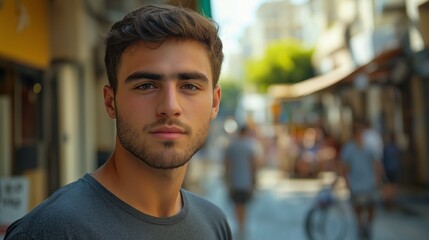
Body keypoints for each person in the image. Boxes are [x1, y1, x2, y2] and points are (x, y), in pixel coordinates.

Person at [5, 4, 232, 240]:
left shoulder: (214, 223)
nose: (170, 107)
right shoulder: (50, 232)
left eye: (190, 86)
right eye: (146, 85)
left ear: (214, 103)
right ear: (110, 101)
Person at [340, 124, 382, 240]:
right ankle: (360, 226)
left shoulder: (369, 148)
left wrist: (378, 178)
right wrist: (347, 182)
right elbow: (344, 167)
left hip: (369, 183)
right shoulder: (349, 149)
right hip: (356, 184)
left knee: (372, 207)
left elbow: (376, 164)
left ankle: (367, 226)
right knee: (358, 208)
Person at [223, 125, 261, 238]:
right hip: (246, 181)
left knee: (237, 205)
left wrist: (226, 179)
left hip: (234, 180)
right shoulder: (250, 146)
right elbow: (254, 165)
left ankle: (240, 226)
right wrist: (254, 180)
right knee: (243, 205)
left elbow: (227, 164)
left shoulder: (232, 146)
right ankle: (242, 226)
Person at [381, 132, 401, 210]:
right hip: (393, 168)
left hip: (388, 168)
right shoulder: (395, 148)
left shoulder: (387, 148)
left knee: (388, 185)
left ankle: (388, 200)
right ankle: (390, 200)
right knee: (392, 185)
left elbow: (383, 158)